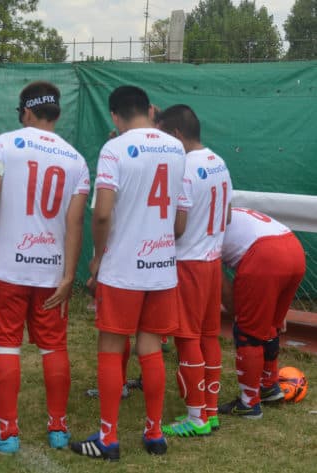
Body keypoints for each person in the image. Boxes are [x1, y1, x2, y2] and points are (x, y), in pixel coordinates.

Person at [0, 81, 90, 453]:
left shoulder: (5, 143)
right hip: (51, 270)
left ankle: (7, 433)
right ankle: (58, 429)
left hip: (8, 266)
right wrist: (69, 274)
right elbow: (75, 223)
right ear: (56, 112)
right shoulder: (76, 159)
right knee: (54, 348)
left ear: (26, 111)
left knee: (6, 346)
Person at [70, 86, 185, 461]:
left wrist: (97, 257)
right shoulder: (174, 146)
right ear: (151, 109)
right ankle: (154, 434)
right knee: (150, 348)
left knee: (111, 346)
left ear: (115, 116)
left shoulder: (115, 148)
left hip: (123, 268)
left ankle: (109, 438)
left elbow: (101, 212)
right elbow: (180, 219)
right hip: (161, 267)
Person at [155, 105, 233, 437]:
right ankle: (210, 412)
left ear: (175, 135)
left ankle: (195, 416)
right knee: (207, 336)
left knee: (186, 338)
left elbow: (179, 227)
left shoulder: (184, 168)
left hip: (188, 264)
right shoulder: (219, 162)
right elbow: (227, 216)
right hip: (213, 262)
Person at [218, 207, 305, 419]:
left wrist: (240, 311)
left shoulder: (197, 221)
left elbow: (216, 278)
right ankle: (268, 386)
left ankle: (249, 403)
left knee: (248, 332)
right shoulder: (229, 209)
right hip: (292, 247)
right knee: (268, 326)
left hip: (265, 256)